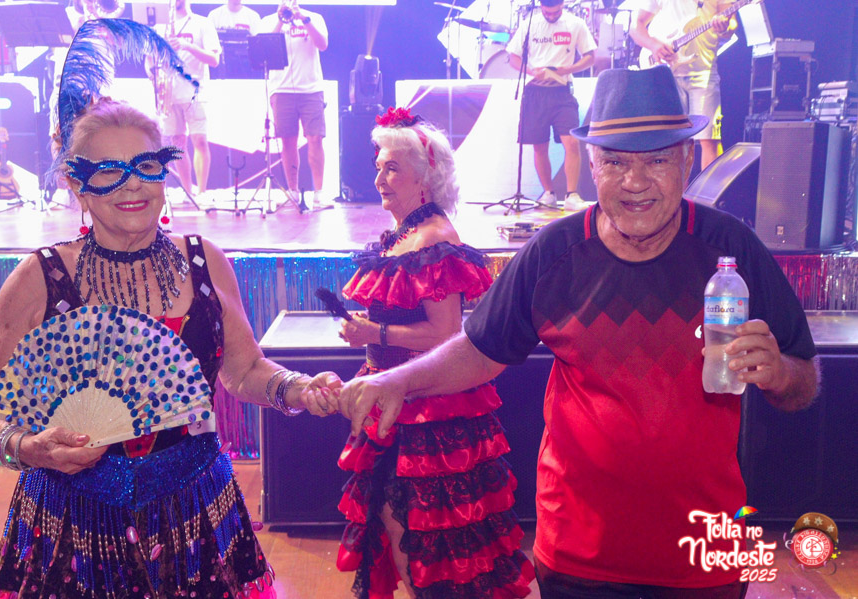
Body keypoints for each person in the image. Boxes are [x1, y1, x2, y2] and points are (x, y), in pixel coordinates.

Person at [336, 67, 820, 599]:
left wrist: (779, 373)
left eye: (657, 160)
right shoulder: (554, 253)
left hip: (703, 555)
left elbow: (804, 381)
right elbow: (480, 350)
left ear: (688, 159)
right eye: (615, 161)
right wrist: (399, 381)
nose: (635, 181)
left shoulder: (731, 249)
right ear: (590, 164)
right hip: (578, 557)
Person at [0, 98, 341, 599]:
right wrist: (28, 447)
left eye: (146, 166)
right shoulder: (38, 278)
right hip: (73, 523)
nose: (133, 185)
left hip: (194, 514)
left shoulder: (205, 261)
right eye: (109, 171)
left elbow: (244, 369)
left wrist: (298, 387)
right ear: (78, 186)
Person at [334, 107, 534, 599]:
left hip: (429, 412)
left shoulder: (434, 239)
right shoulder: (406, 235)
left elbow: (446, 335)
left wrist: (375, 332)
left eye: (392, 169)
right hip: (399, 404)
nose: (379, 179)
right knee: (401, 529)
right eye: (379, 166)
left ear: (425, 177)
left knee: (430, 543)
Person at [507, 0, 597, 211]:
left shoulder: (575, 23)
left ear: (563, 6)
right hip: (535, 91)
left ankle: (571, 194)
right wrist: (531, 71)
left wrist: (568, 69)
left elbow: (590, 57)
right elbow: (513, 58)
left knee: (571, 142)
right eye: (547, 12)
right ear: (540, 7)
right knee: (539, 145)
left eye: (555, 12)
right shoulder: (530, 23)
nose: (551, 16)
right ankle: (548, 193)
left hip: (562, 91)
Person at [630, 0, 738, 171]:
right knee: (670, 143)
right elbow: (636, 25)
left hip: (704, 71)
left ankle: (709, 188)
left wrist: (724, 27)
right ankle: (672, 189)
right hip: (666, 73)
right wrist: (654, 45)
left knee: (710, 139)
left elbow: (731, 24)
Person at [259, 0, 332, 211]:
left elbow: (323, 44)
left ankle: (319, 193)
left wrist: (304, 20)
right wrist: (280, 21)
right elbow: (264, 51)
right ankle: (293, 190)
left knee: (315, 138)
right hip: (281, 89)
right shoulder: (268, 21)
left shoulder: (314, 17)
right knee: (288, 141)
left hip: (311, 89)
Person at [159, 0, 221, 203]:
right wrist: (154, 76)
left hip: (195, 91)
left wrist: (187, 46)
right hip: (170, 92)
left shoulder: (202, 23)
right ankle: (188, 192)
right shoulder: (160, 25)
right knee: (177, 144)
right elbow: (150, 58)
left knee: (200, 140)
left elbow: (214, 59)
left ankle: (202, 192)